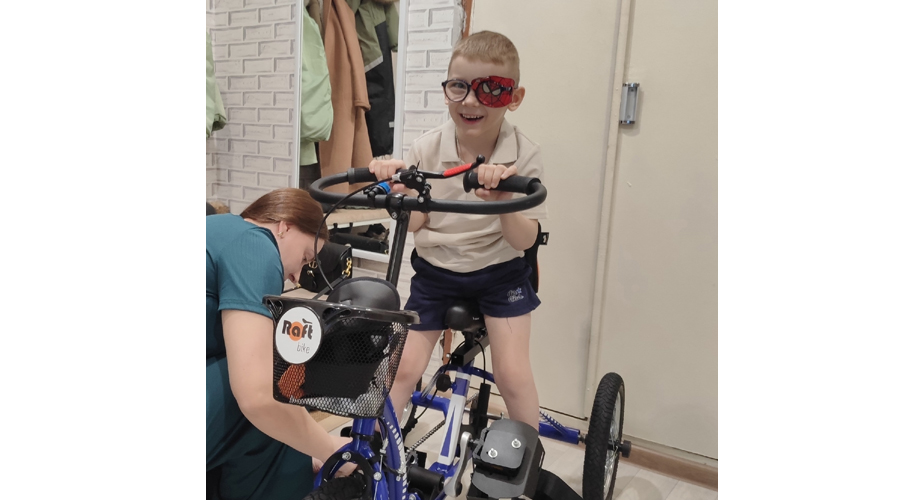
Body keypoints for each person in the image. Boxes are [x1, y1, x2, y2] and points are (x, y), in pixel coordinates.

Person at [369, 31, 548, 430]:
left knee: (512, 376)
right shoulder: (426, 149)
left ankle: (527, 460)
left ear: (514, 97)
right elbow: (417, 223)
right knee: (402, 368)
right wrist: (401, 196)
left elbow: (524, 240)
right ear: (446, 90)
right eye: (459, 87)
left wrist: (504, 200)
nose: (470, 101)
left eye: (491, 90)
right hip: (436, 274)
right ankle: (376, 455)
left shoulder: (524, 154)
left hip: (500, 275)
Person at [206, 188, 347, 500]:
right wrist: (331, 450)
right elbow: (257, 397)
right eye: (306, 258)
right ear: (285, 226)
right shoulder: (255, 245)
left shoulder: (218, 227)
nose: (297, 276)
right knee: (273, 386)